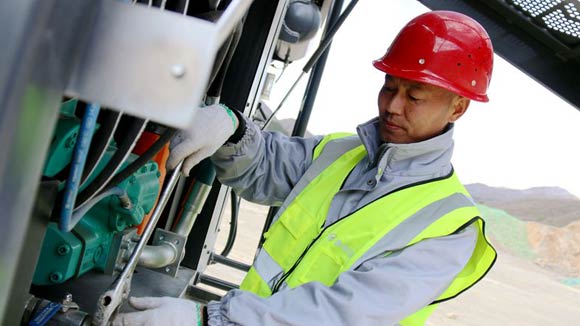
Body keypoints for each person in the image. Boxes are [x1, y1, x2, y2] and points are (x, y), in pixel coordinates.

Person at [113, 10, 497, 326]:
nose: (393, 106)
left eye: (414, 96)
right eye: (389, 86)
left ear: (457, 108)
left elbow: (343, 313)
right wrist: (231, 129)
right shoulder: (341, 153)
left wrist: (211, 319)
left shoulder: (451, 227)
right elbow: (264, 168)